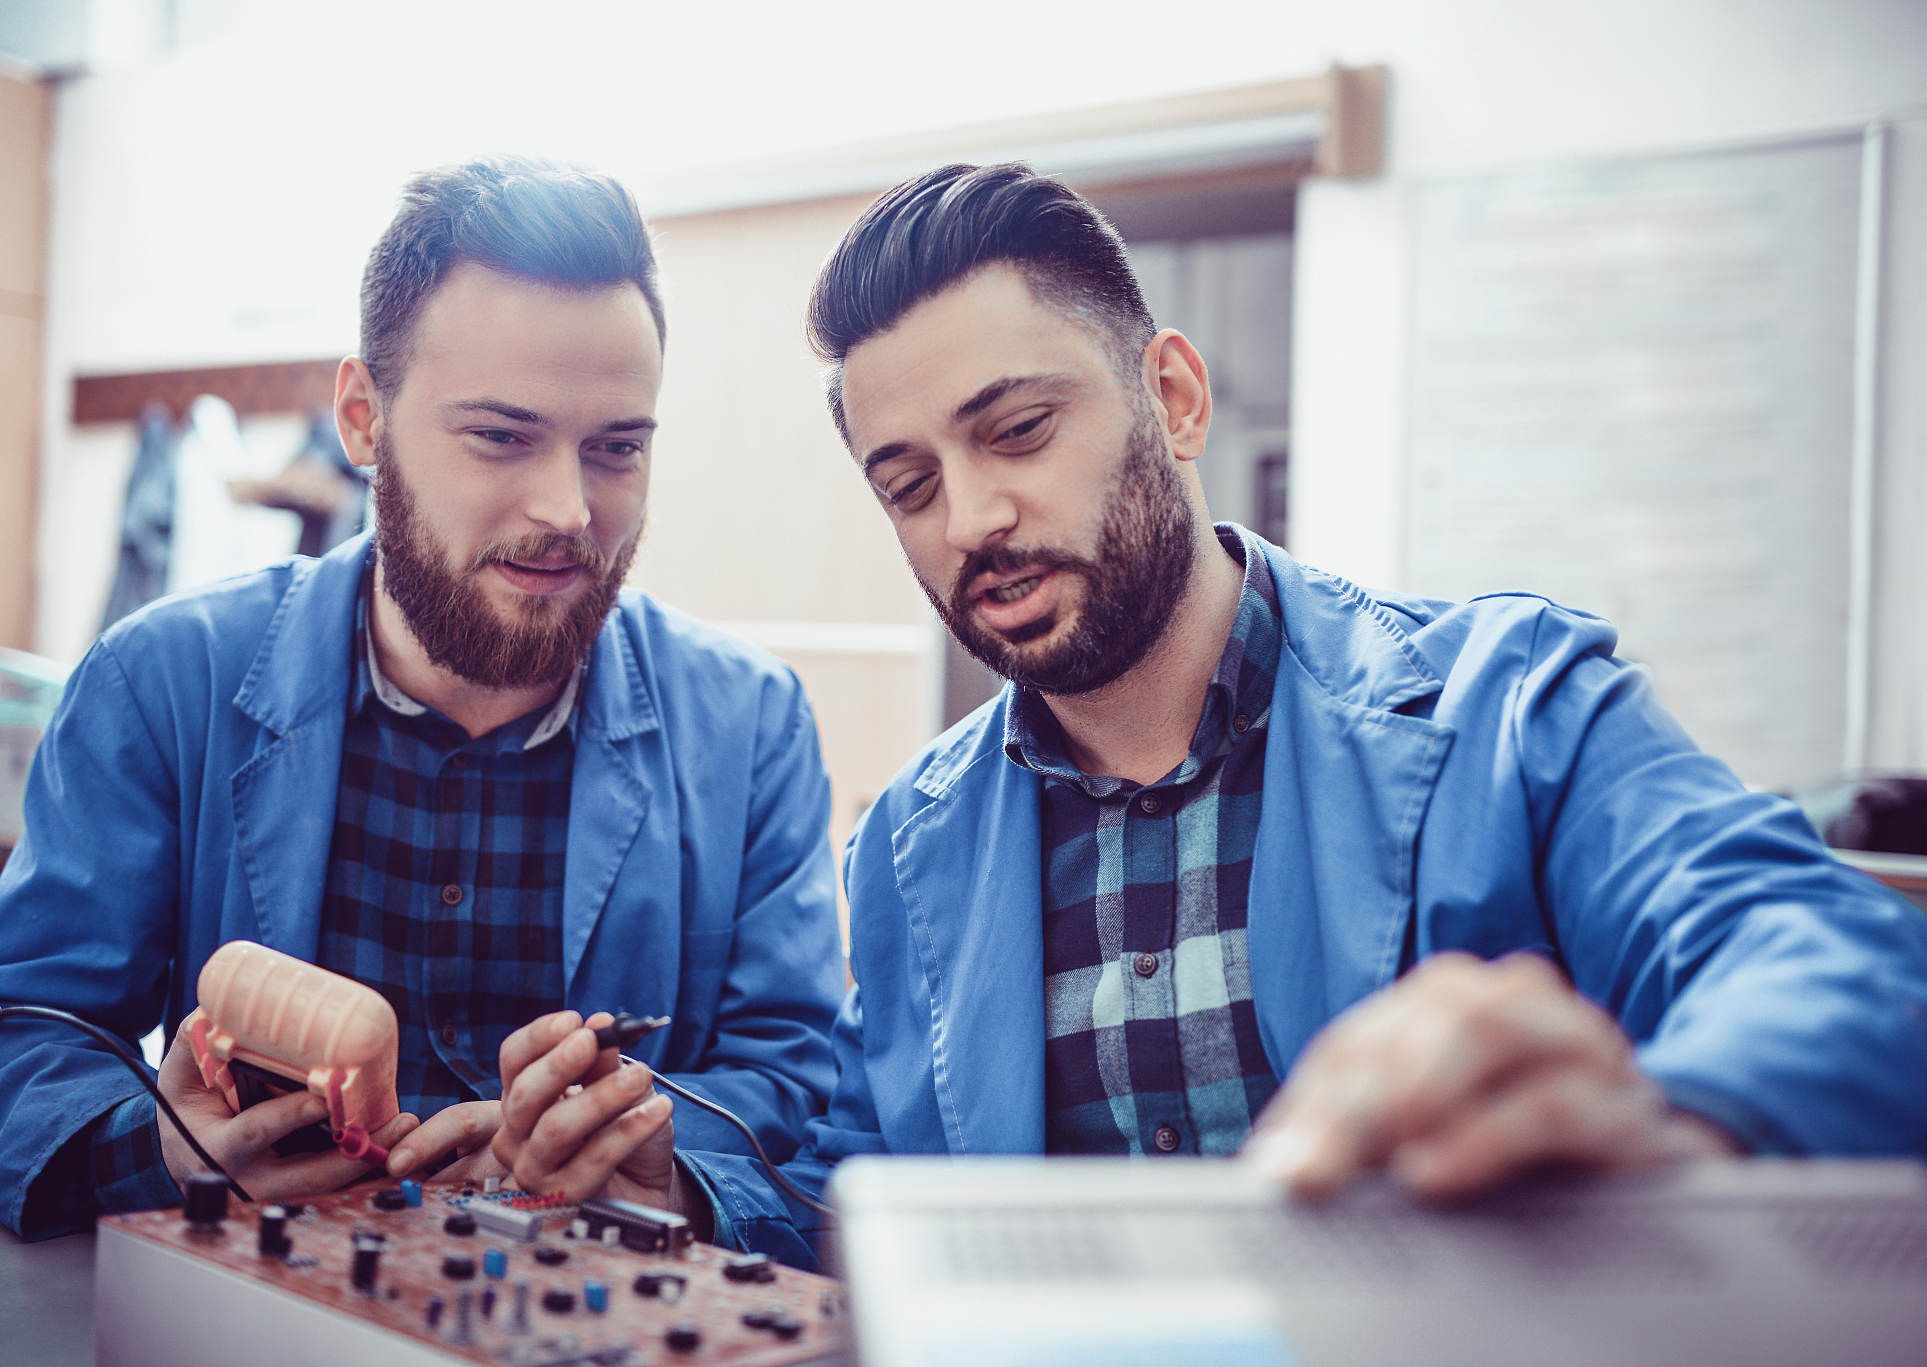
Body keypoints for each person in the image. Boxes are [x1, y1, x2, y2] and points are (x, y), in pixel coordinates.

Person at [675, 162, 1927, 1266]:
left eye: (1017, 430)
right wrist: (687, 1186)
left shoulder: (1511, 704)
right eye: (908, 485)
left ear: (1170, 397)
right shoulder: (904, 845)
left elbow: (1842, 968)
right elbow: (853, 1190)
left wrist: (1679, 1120)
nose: (970, 519)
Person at [0, 157, 843, 1239]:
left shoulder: (750, 727)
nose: (567, 507)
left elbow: (799, 1080)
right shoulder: (161, 681)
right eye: (500, 436)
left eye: (616, 448)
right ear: (363, 419)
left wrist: (659, 1162)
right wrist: (156, 1145)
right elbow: (13, 1019)